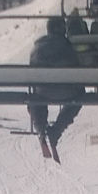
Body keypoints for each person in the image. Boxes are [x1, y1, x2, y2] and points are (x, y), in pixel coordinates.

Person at [28, 15, 82, 156]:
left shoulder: (37, 47)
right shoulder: (67, 46)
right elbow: (76, 67)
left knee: (35, 99)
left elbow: (32, 70)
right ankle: (56, 131)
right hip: (67, 91)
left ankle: (41, 130)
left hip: (43, 91)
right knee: (79, 98)